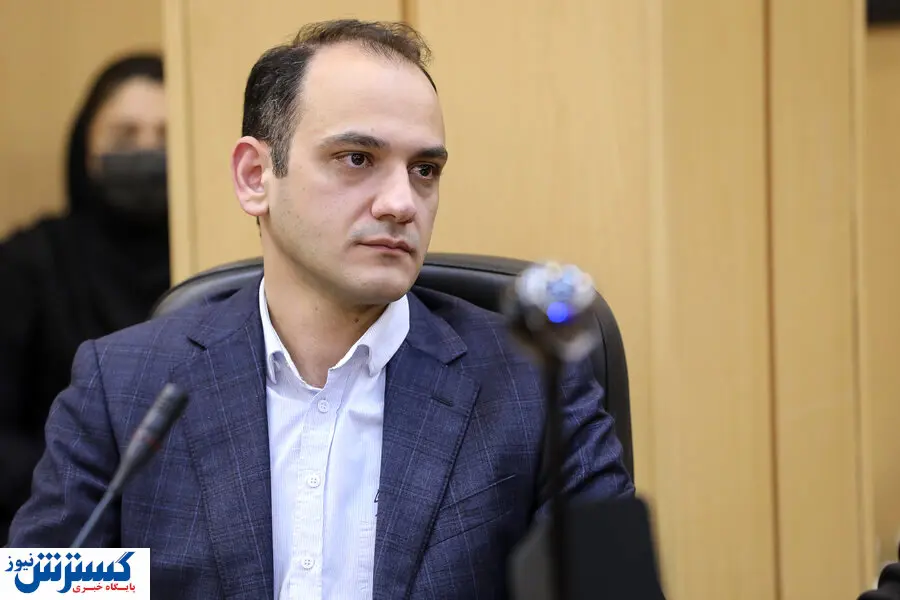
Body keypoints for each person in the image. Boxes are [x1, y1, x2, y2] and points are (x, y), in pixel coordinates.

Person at [8, 20, 633, 599]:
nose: (401, 203)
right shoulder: (124, 388)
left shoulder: (532, 386)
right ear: (255, 176)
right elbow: (44, 590)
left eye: (424, 169)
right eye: (357, 159)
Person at [0, 54, 169, 542]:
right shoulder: (29, 265)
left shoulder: (215, 271)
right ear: (85, 147)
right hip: (56, 528)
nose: (147, 150)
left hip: (186, 537)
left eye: (165, 136)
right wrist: (81, 487)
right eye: (125, 135)